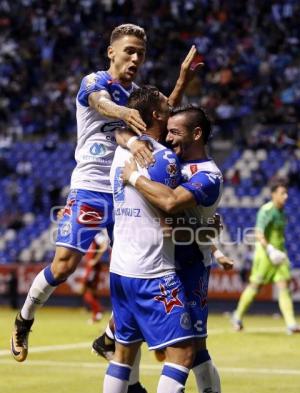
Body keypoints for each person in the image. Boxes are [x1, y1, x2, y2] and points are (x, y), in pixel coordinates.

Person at [10, 23, 198, 364]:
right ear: (112, 52)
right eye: (129, 51)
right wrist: (125, 113)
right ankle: (24, 319)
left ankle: (113, 344)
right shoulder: (95, 82)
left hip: (125, 191)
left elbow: (162, 115)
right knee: (64, 266)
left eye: (140, 53)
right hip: (89, 188)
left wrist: (183, 79)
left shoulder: (139, 94)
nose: (135, 58)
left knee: (134, 272)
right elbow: (100, 103)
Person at [99, 88, 232, 393]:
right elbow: (130, 127)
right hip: (157, 268)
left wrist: (197, 228)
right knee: (176, 351)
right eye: (167, 129)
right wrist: (127, 134)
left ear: (196, 135)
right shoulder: (163, 156)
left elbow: (173, 206)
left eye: (176, 132)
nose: (169, 136)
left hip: (188, 271)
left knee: (196, 351)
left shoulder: (208, 174)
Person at [232, 177, 300, 334]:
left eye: (286, 193)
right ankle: (237, 316)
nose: (286, 196)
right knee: (255, 287)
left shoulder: (282, 211)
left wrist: (278, 251)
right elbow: (258, 232)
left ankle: (291, 324)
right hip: (265, 255)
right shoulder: (267, 210)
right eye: (282, 193)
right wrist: (269, 249)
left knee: (284, 287)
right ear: (274, 194)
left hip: (280, 255)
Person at [79, 230, 109, 323]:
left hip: (92, 267)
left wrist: (95, 260)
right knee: (92, 291)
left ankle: (98, 310)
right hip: (91, 266)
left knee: (84, 290)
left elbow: (104, 245)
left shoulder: (96, 234)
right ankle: (97, 314)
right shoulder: (90, 235)